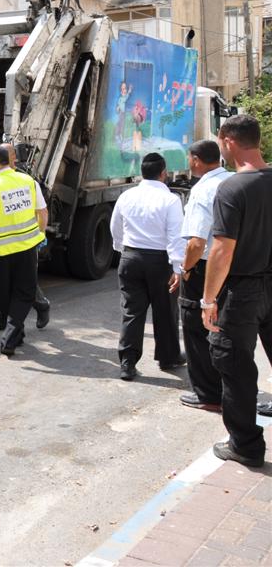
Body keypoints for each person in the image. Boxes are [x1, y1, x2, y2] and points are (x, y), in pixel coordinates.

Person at [201, 114, 272, 468]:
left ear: (229, 141)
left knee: (236, 367)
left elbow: (222, 250)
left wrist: (208, 299)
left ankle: (245, 445)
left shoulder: (232, 188)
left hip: (243, 292)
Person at [110, 152, 186, 381]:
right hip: (159, 261)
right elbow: (175, 236)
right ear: (163, 174)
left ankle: (127, 363)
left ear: (141, 173)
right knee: (165, 311)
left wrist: (122, 249)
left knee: (132, 311)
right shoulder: (171, 200)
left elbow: (116, 227)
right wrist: (177, 267)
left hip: (130, 257)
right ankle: (168, 357)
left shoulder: (126, 196)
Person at [0, 145, 47, 355]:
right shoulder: (29, 181)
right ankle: (17, 334)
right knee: (23, 294)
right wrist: (41, 235)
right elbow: (43, 211)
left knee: (3, 295)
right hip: (28, 250)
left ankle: (10, 339)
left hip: (1, 254)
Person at [178, 140, 231, 411]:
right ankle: (227, 388)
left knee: (196, 328)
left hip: (206, 267)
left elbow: (196, 243)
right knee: (226, 327)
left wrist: (185, 269)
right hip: (236, 266)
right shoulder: (234, 181)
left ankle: (207, 394)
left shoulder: (203, 190)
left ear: (196, 160)